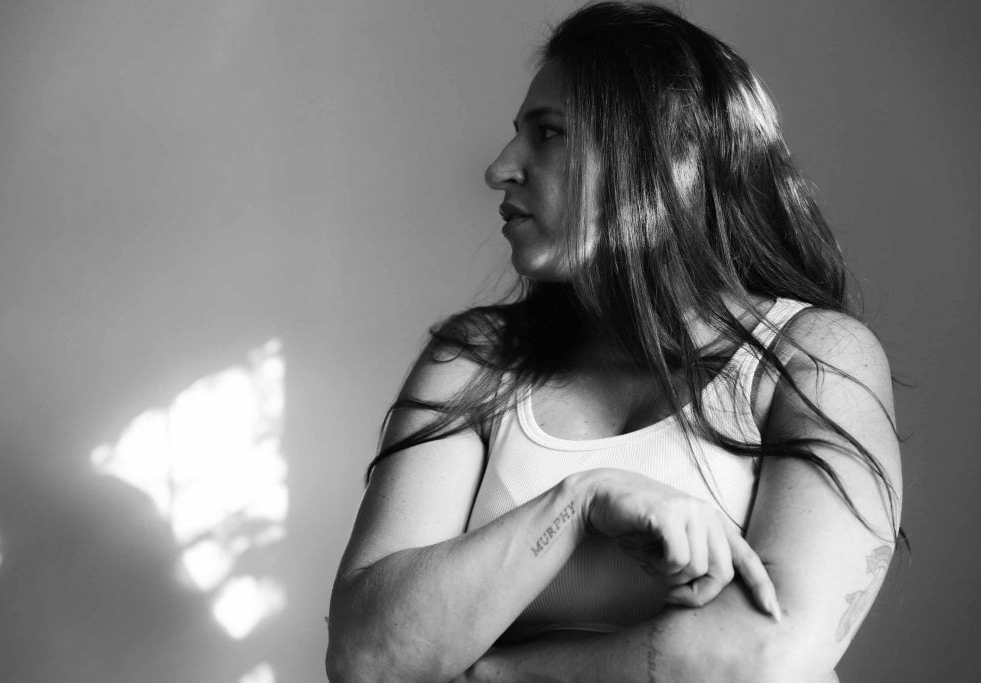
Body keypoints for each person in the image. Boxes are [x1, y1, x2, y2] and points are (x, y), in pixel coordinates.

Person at [326, 2, 903, 681]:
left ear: (669, 160)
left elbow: (769, 656)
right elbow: (367, 655)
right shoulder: (474, 362)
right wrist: (580, 500)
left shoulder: (817, 356)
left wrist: (491, 674)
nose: (500, 168)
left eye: (547, 133)